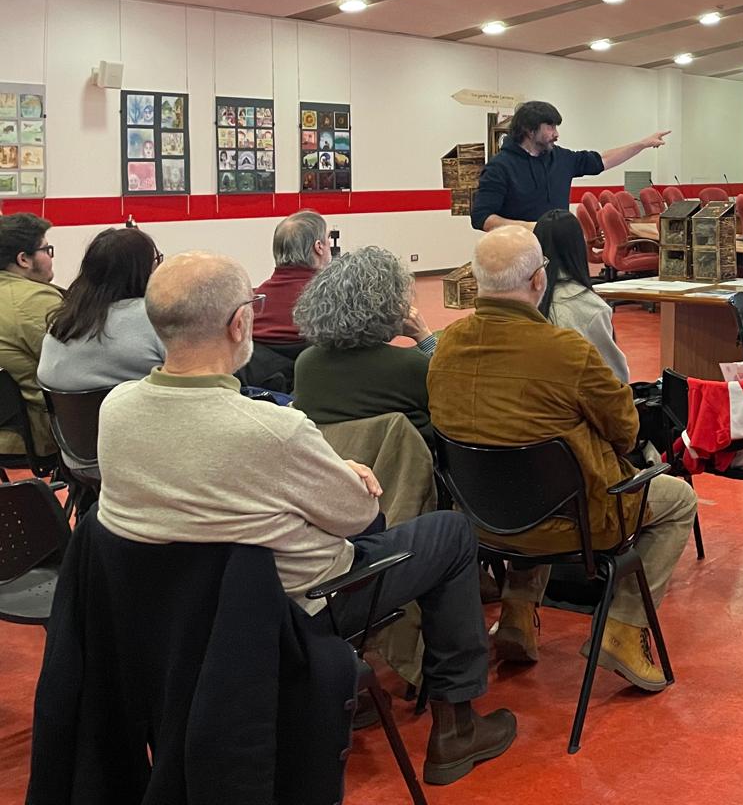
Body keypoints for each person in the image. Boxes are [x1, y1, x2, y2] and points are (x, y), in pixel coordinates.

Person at [94, 252, 515, 785]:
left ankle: (371, 693)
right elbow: (362, 518)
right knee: (450, 533)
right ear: (239, 322)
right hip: (302, 603)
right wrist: (348, 476)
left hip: (172, 614)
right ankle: (456, 727)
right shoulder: (272, 429)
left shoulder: (116, 408)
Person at [429, 228, 697, 687]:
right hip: (571, 522)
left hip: (480, 518)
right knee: (678, 500)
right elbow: (626, 431)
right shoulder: (568, 352)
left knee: (525, 474)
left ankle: (516, 612)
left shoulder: (444, 346)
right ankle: (623, 628)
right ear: (539, 280)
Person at [290, 245, 437, 442]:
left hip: (333, 458)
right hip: (402, 459)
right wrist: (424, 336)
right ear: (388, 305)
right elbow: (452, 388)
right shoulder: (411, 365)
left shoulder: (307, 362)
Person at [470, 100, 669, 231]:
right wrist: (533, 228)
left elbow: (604, 160)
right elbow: (482, 218)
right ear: (529, 130)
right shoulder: (500, 167)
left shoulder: (561, 158)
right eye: (550, 127)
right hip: (517, 252)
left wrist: (642, 144)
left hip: (558, 249)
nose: (556, 134)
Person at [38, 227, 165, 393]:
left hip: (66, 410)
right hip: (134, 409)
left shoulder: (63, 319)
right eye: (156, 260)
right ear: (142, 270)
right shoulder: (152, 318)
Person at [534, 209, 629, 382]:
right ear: (578, 246)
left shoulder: (521, 299)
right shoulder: (591, 307)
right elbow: (615, 378)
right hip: (572, 395)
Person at [0, 212, 63, 457]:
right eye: (46, 250)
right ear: (24, 259)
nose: (50, 257)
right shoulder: (36, 300)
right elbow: (77, 363)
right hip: (36, 432)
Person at [252, 210, 333, 352]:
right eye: (328, 238)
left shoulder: (255, 302)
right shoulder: (333, 301)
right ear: (319, 247)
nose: (331, 244)